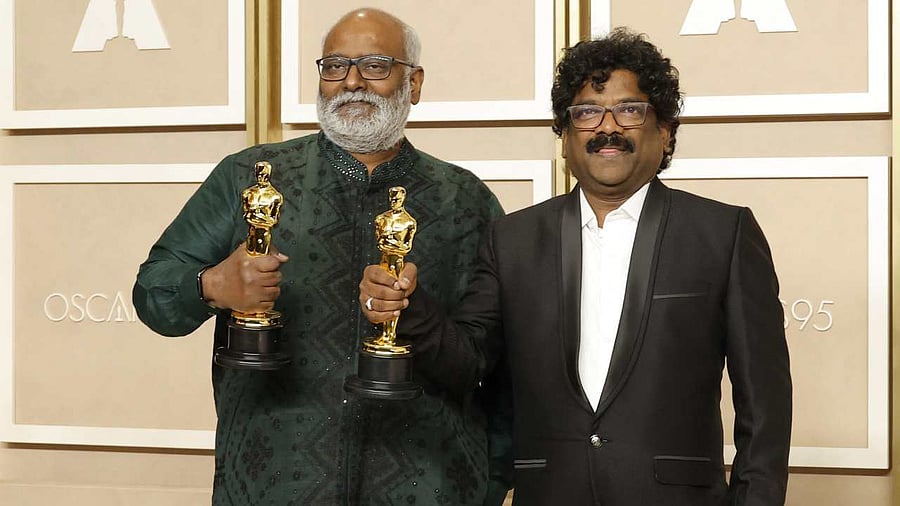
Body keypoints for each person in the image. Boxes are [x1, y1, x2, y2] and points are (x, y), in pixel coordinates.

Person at [360, 27, 792, 505]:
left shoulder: (723, 234)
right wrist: (408, 305)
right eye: (586, 113)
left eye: (629, 110)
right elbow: (469, 362)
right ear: (565, 136)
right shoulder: (512, 240)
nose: (607, 128)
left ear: (665, 130)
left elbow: (766, 406)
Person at [133, 8, 507, 505]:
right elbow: (153, 295)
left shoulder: (464, 200)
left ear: (413, 83)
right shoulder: (249, 176)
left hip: (429, 485)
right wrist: (209, 286)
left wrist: (491, 484)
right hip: (271, 484)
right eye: (334, 66)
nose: (351, 82)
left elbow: (495, 362)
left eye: (375, 65)